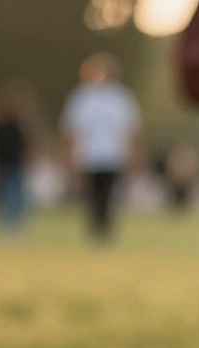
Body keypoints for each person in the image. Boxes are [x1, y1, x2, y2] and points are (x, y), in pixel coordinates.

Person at [60, 54, 141, 242]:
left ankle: (105, 229)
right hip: (89, 155)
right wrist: (68, 155)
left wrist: (132, 154)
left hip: (113, 154)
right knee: (92, 194)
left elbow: (129, 129)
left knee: (108, 194)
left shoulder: (120, 97)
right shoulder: (81, 98)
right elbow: (72, 129)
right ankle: (95, 229)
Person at [0, 89, 31, 238]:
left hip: (14, 165)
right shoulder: (0, 128)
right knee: (5, 195)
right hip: (4, 166)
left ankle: (15, 224)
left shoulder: (16, 128)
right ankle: (5, 224)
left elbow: (25, 147)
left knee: (15, 195)